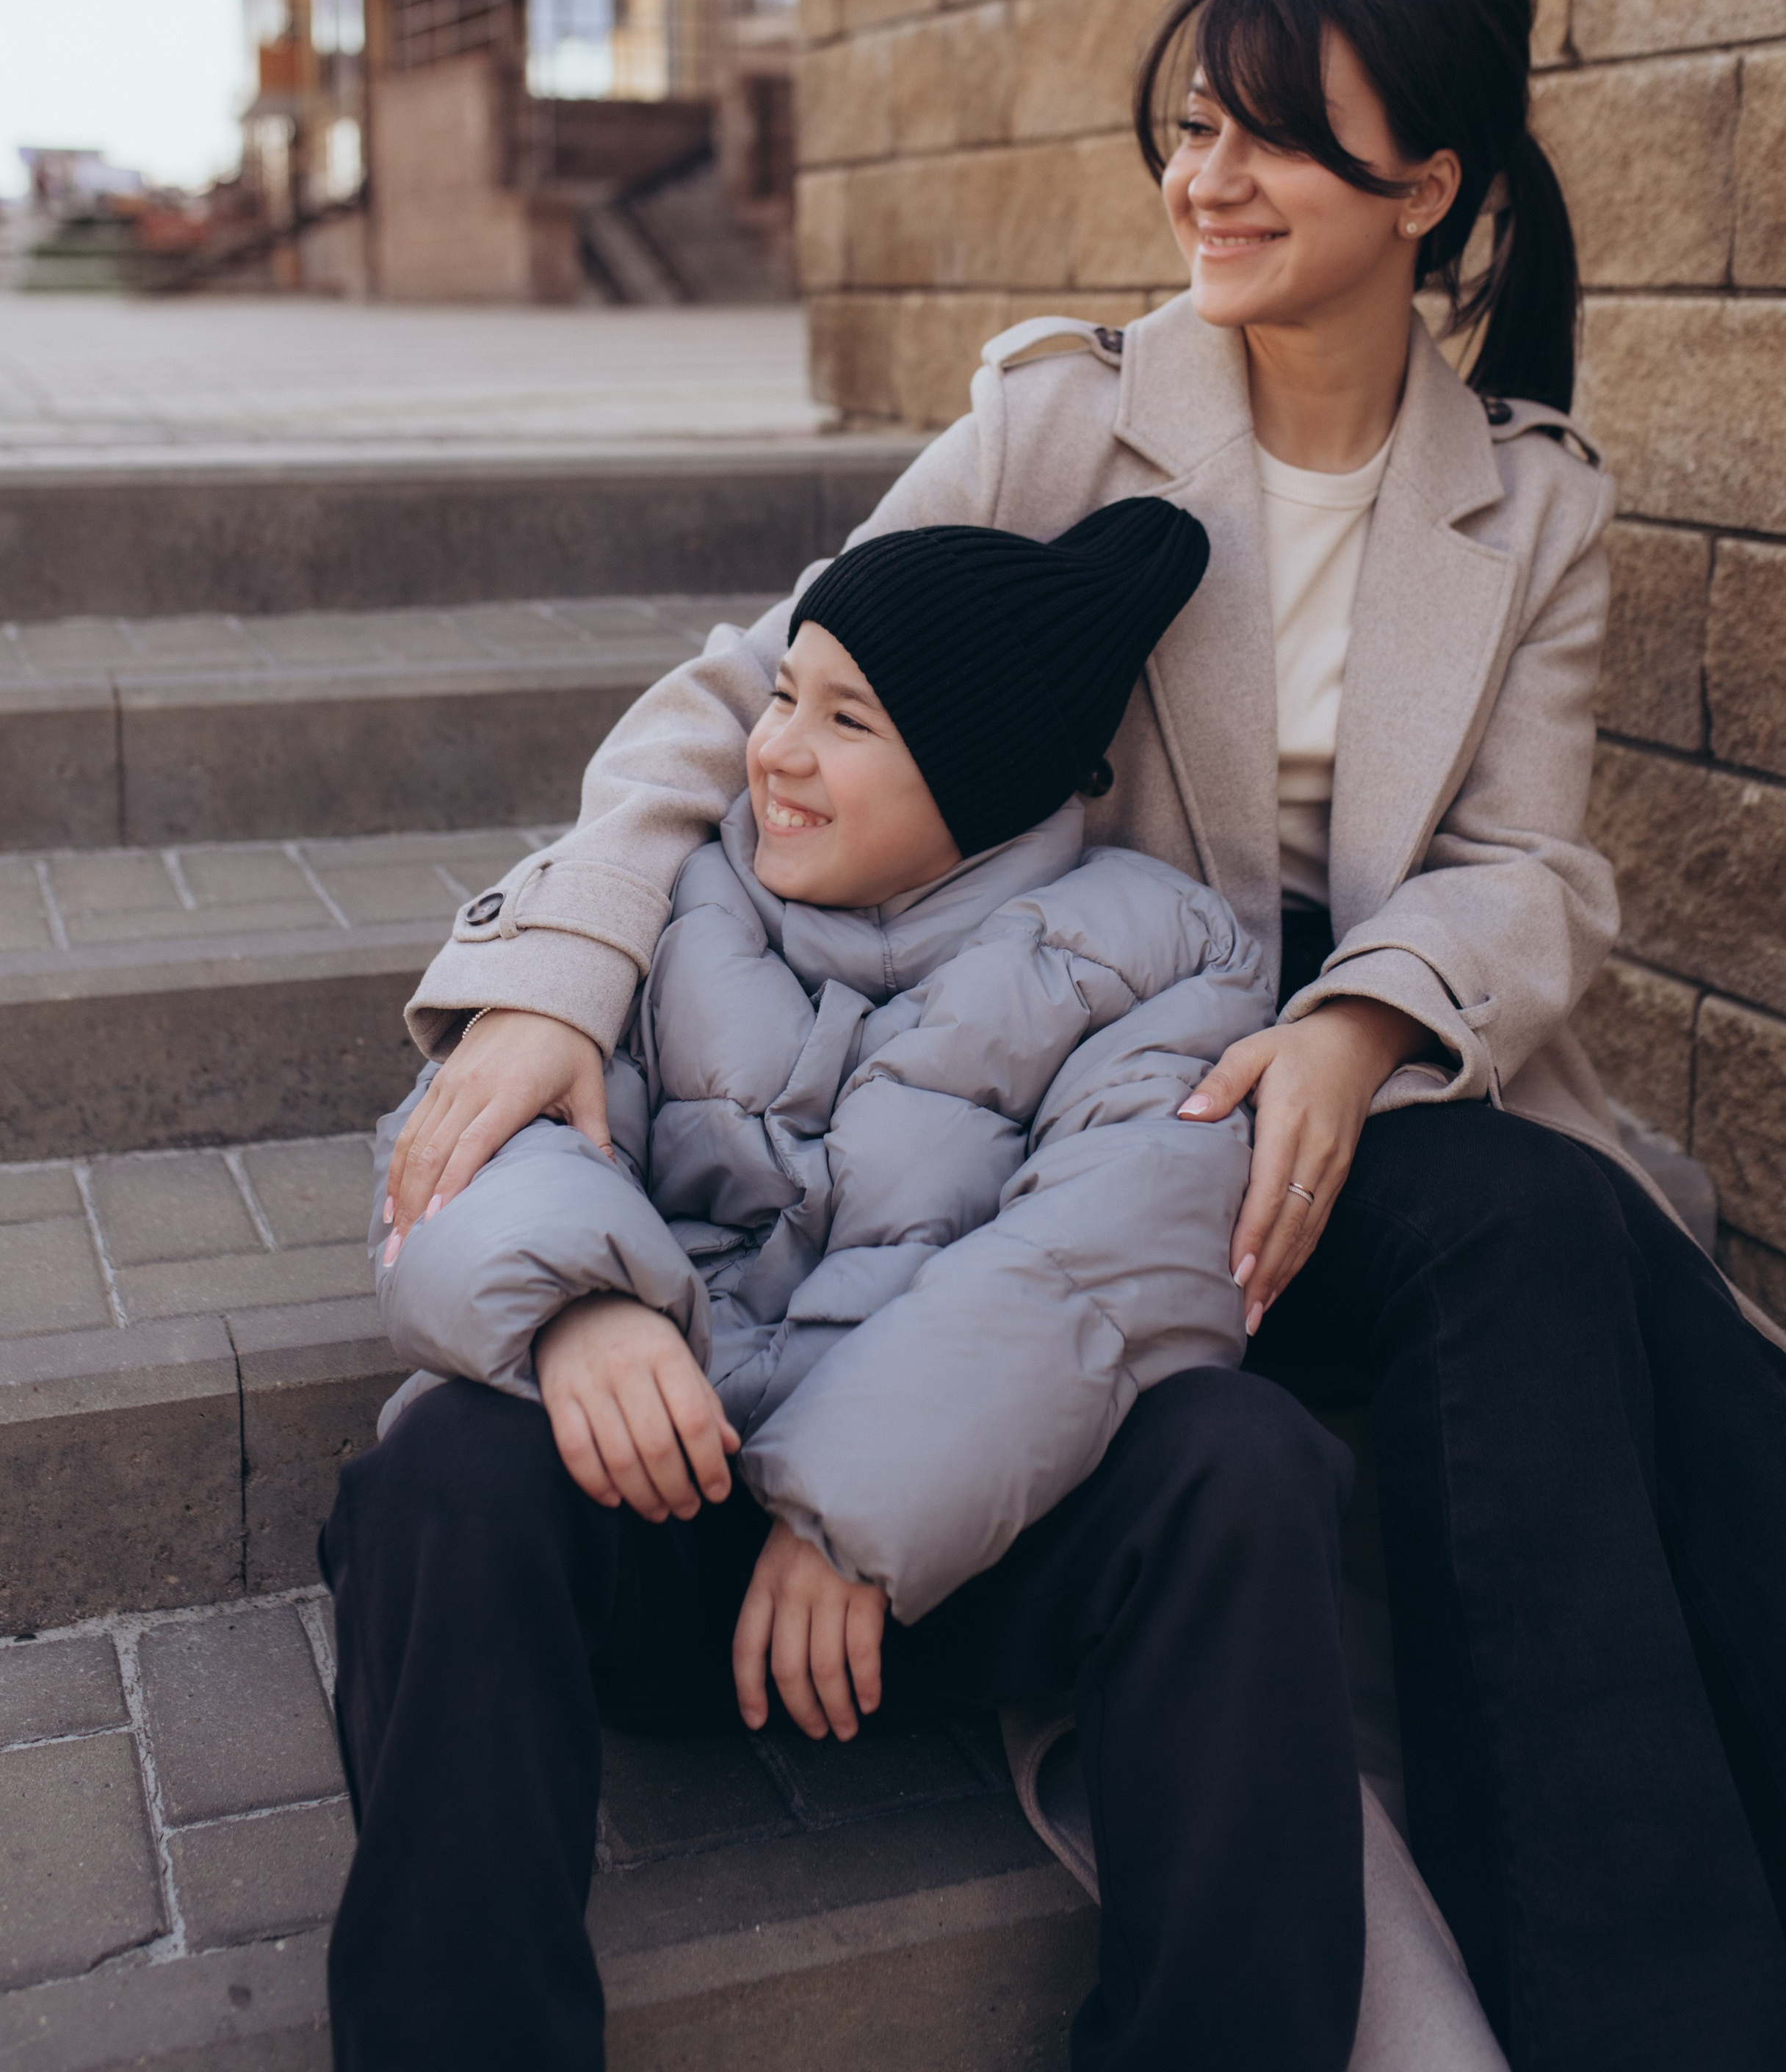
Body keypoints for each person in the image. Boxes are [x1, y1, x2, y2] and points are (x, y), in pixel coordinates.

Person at [366, 0, 1786, 2071]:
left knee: (1563, 1239)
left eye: (1277, 147)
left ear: (1431, 190)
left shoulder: (1528, 499)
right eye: (1197, 128)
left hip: (1350, 1070)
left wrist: (1359, 1017)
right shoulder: (1070, 421)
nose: (1204, 182)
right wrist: (558, 979)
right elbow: (746, 700)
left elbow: (1530, 867)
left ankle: (1645, 1976)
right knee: (1542, 1256)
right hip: (1077, 1084)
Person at [325, 504, 1373, 2072]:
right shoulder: (662, 895)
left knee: (1245, 1462)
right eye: (779, 700)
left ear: (979, 769)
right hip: (660, 1503)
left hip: (949, 1573)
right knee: (447, 1470)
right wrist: (582, 1308)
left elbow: (1111, 1259)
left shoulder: (1165, 955)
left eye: (844, 719)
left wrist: (857, 1505)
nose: (773, 752)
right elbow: (461, 1136)